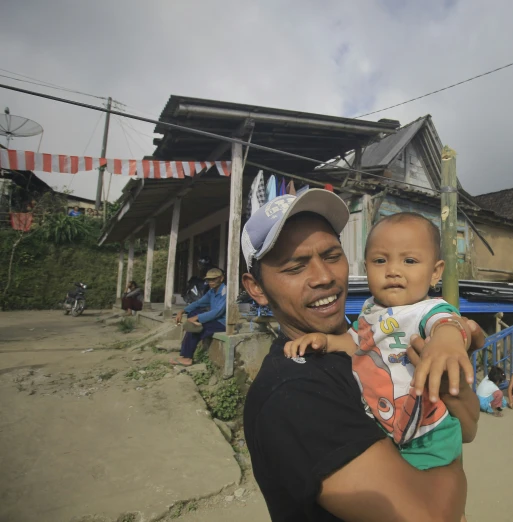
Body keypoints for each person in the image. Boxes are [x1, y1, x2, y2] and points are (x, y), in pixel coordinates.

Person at [240, 189, 483, 521]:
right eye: (295, 267)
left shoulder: (372, 335)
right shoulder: (292, 393)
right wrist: (453, 468)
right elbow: (432, 516)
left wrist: (451, 345)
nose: (324, 277)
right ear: (256, 288)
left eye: (331, 255)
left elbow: (468, 428)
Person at [284, 212, 476, 479]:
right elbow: (357, 343)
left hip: (428, 434)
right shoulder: (370, 310)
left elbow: (447, 324)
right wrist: (327, 341)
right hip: (387, 428)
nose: (393, 270)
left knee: (424, 498)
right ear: (365, 267)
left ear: (435, 272)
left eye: (409, 260)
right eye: (380, 260)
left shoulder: (425, 309)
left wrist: (448, 340)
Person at [171, 268, 226, 367]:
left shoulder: (225, 292)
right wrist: (182, 311)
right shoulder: (212, 291)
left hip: (222, 323)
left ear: (221, 278)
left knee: (194, 329)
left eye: (214, 279)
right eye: (209, 280)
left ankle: (187, 357)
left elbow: (217, 312)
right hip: (214, 320)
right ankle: (185, 355)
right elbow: (199, 303)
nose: (211, 282)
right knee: (193, 314)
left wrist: (197, 318)